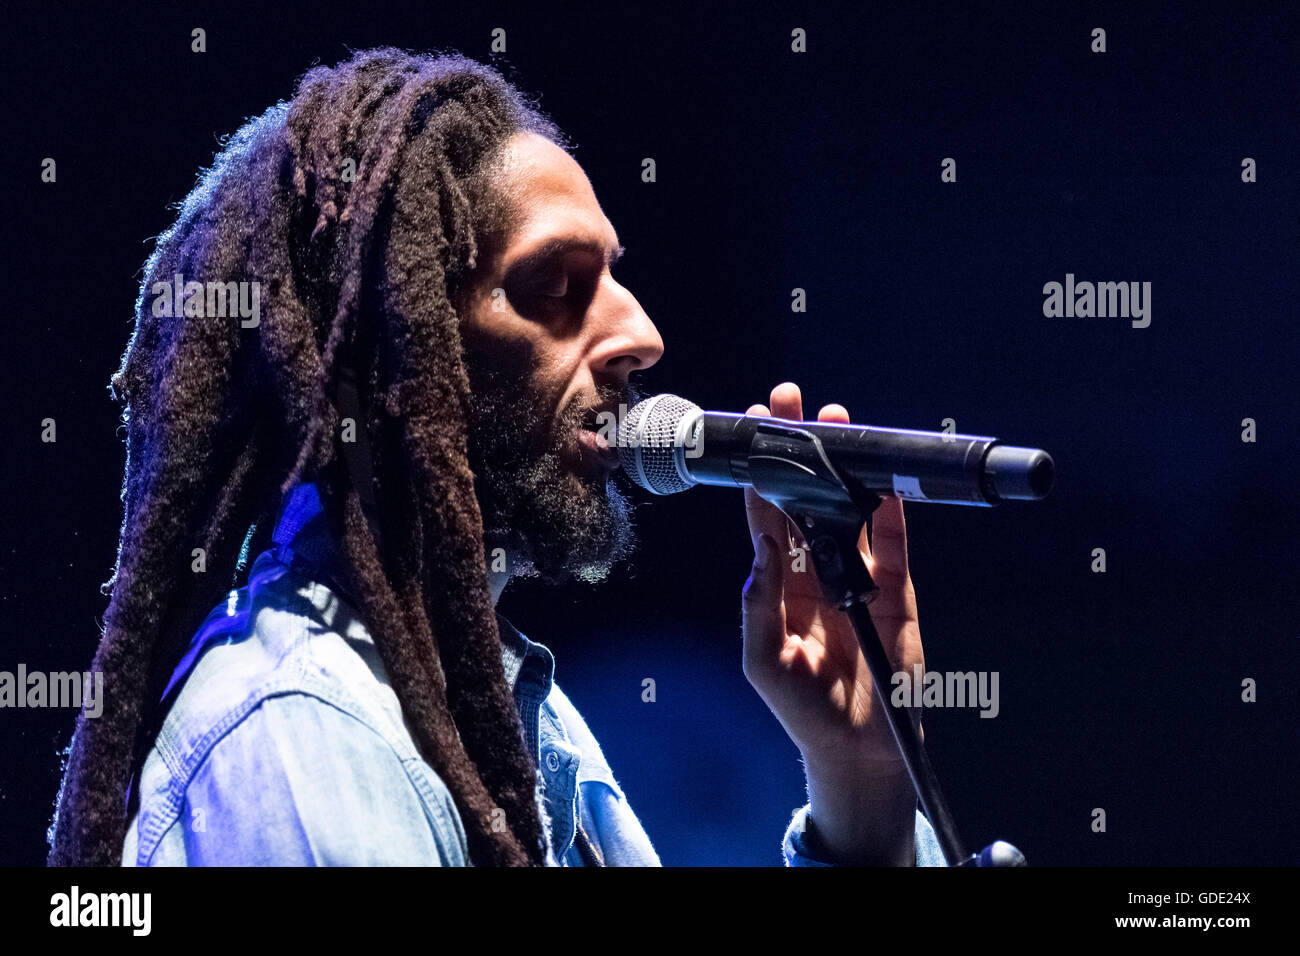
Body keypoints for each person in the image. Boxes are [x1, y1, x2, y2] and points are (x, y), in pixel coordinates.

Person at [47, 48, 943, 866]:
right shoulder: (307, 731)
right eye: (553, 284)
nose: (643, 335)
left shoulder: (519, 721)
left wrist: (859, 780)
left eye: (617, 275)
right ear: (394, 354)